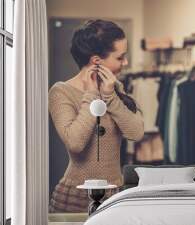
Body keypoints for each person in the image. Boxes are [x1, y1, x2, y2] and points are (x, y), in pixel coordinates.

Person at [49, 20, 144, 212]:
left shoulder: (115, 89)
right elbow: (75, 142)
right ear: (96, 62)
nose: (125, 62)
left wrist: (110, 96)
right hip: (76, 195)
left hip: (114, 193)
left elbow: (136, 133)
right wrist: (92, 95)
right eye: (120, 57)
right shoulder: (61, 92)